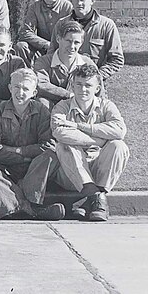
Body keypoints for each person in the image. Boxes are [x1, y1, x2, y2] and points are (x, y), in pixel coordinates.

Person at [0, 69, 66, 220]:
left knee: (51, 156)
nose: (20, 92)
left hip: (34, 170)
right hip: (6, 169)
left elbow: (47, 146)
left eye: (25, 89)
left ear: (34, 92)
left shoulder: (42, 111)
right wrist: (26, 155)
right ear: (10, 88)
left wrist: (18, 151)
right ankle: (30, 208)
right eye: (16, 87)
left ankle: (8, 204)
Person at [50, 64, 128, 221]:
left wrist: (79, 126)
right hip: (70, 172)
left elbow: (119, 131)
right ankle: (96, 198)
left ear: (97, 88)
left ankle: (91, 199)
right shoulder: (62, 107)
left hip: (97, 166)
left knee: (119, 146)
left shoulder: (107, 105)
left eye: (88, 85)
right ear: (72, 86)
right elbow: (61, 133)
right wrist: (100, 140)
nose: (83, 89)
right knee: (65, 146)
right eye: (78, 84)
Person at [50, 0, 124, 81]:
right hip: (63, 80)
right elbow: (51, 53)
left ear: (92, 0)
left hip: (92, 83)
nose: (79, 3)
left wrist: (96, 76)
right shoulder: (62, 24)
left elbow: (117, 59)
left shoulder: (106, 25)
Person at [34, 21, 100, 109]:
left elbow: (99, 91)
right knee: (42, 103)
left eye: (76, 42)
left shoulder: (87, 63)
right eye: (68, 41)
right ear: (58, 39)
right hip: (52, 106)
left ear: (81, 43)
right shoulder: (44, 62)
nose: (72, 46)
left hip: (79, 106)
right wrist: (68, 95)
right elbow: (41, 85)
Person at [14, 0, 73, 65]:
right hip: (42, 47)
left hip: (60, 48)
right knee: (21, 46)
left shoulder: (67, 7)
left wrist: (55, 45)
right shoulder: (35, 7)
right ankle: (28, 75)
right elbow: (25, 32)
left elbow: (71, 33)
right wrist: (46, 44)